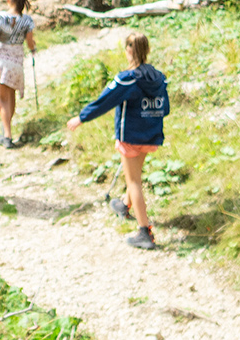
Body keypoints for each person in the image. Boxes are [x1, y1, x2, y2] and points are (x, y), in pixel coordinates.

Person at [66, 30, 170, 249]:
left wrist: (81, 118)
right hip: (150, 135)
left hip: (130, 136)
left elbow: (104, 101)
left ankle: (145, 232)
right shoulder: (159, 78)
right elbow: (165, 108)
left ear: (129, 50)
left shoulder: (126, 79)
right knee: (135, 176)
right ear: (147, 50)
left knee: (134, 182)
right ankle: (124, 205)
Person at [0, 0, 37, 147]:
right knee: (11, 97)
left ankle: (7, 135)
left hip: (1, 60)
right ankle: (6, 130)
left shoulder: (0, 17)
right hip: (17, 61)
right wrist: (33, 49)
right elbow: (30, 42)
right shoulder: (27, 20)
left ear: (9, 0)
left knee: (3, 99)